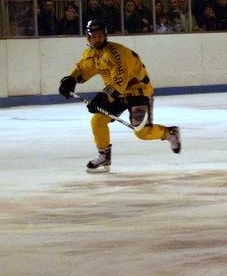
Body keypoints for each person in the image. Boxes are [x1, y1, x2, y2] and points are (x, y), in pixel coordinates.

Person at [57, 20, 181, 173]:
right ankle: (104, 156)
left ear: (106, 35)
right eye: (94, 36)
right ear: (88, 38)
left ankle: (170, 133)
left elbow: (119, 81)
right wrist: (71, 79)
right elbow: (82, 68)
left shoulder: (116, 53)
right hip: (118, 94)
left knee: (142, 133)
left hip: (138, 93)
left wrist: (103, 98)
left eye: (100, 36)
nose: (97, 39)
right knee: (97, 121)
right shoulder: (92, 54)